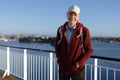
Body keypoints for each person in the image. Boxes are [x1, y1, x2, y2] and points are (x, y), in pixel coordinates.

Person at [55, 5, 93, 80]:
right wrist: (59, 60)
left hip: (77, 70)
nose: (72, 17)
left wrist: (78, 64)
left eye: (75, 14)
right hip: (63, 68)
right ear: (67, 15)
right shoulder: (60, 30)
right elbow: (57, 46)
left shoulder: (84, 31)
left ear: (78, 16)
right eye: (70, 14)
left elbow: (89, 50)